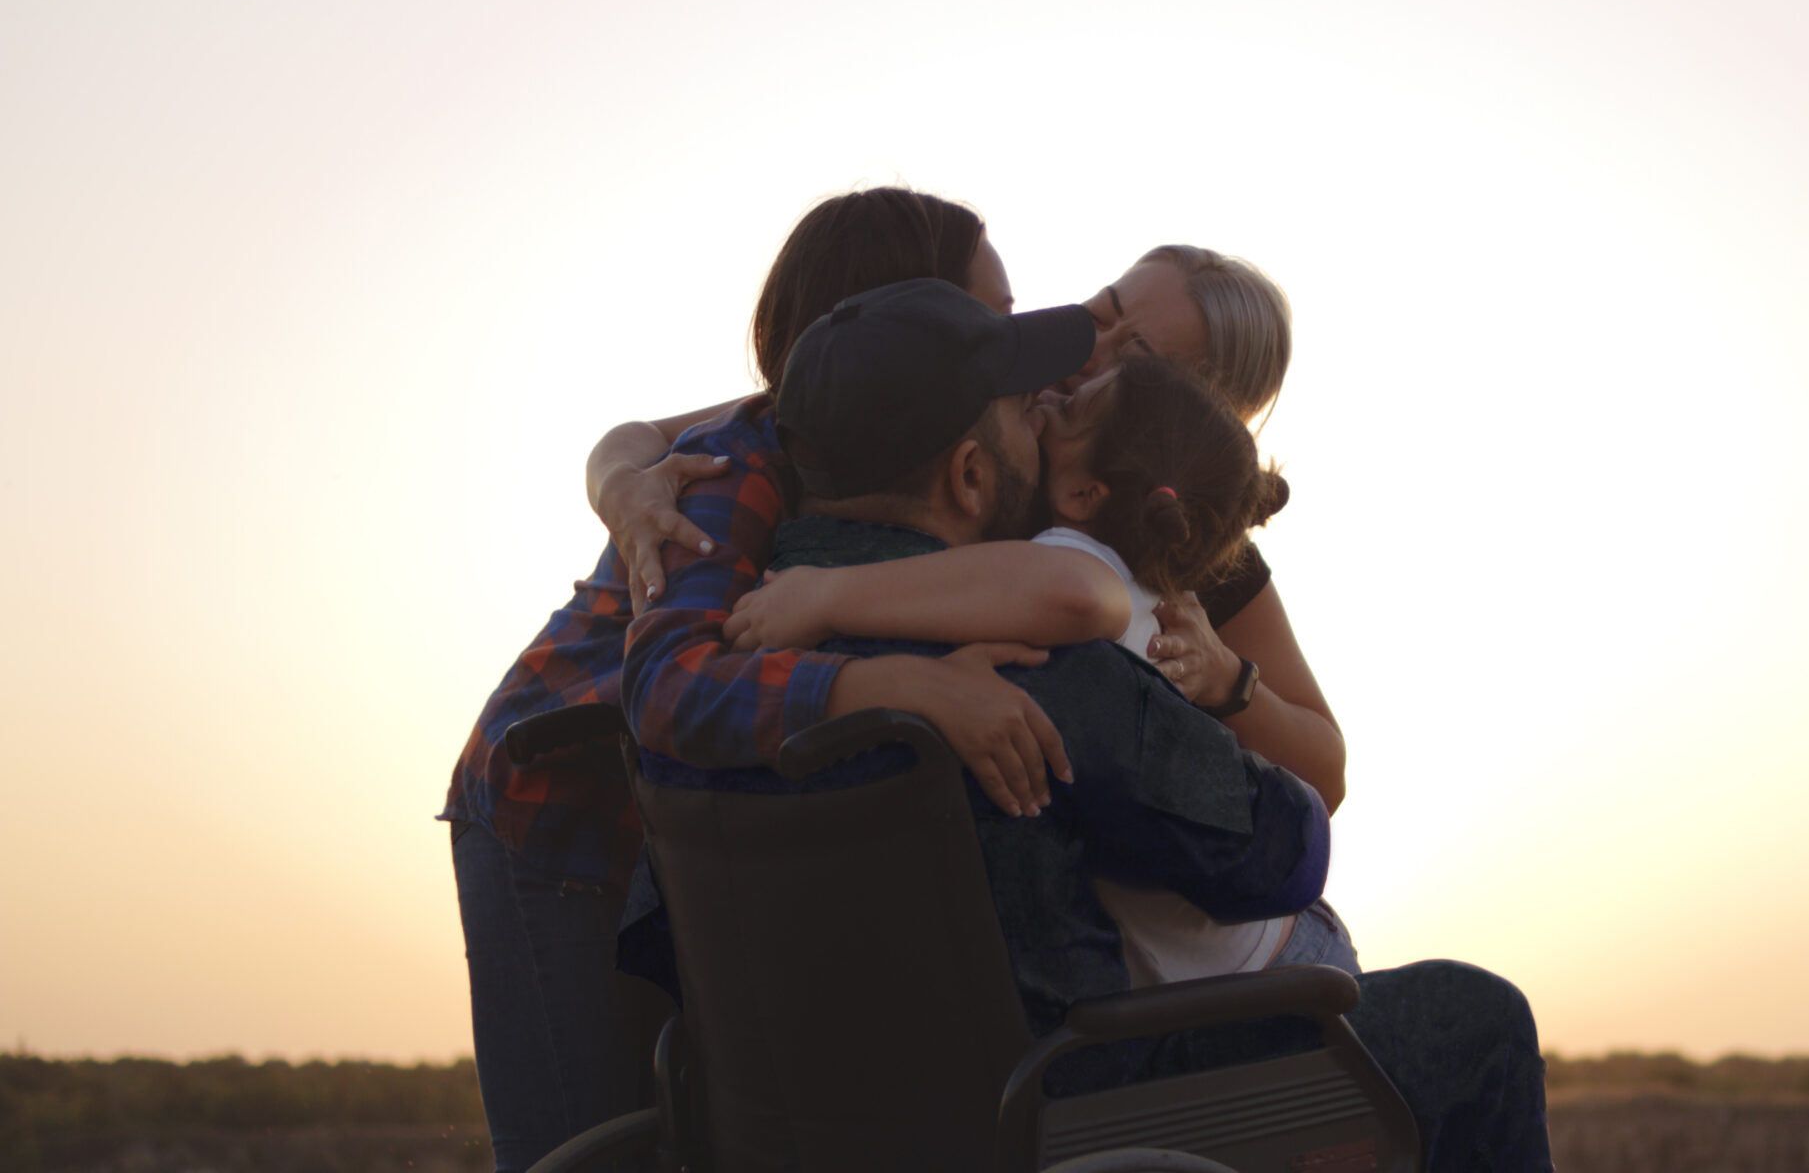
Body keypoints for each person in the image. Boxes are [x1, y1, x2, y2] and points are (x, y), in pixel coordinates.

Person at [624, 278, 1552, 1169]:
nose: (1046, 405)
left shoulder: (723, 649)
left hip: (808, 1135)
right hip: (1070, 1109)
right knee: (1479, 1020)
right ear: (973, 472)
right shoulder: (1035, 662)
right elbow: (1281, 853)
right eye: (1024, 407)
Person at [440, 187, 1068, 1173]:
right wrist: (900, 684)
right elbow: (676, 682)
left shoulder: (952, 450)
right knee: (589, 1144)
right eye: (987, 318)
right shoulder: (745, 464)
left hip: (696, 818)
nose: (1011, 345)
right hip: (556, 809)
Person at [594, 243, 1350, 815]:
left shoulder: (1192, 551)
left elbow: (1325, 769)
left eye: (1137, 358)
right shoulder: (951, 397)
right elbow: (663, 438)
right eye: (1102, 312)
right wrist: (623, 484)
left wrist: (1231, 682)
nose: (1091, 353)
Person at [727, 355, 1357, 985]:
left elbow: (1075, 590)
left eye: (1072, 409)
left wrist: (826, 596)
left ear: (1085, 494)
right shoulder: (1128, 577)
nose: (1047, 403)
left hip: (1269, 971)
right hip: (1255, 958)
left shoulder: (1076, 561)